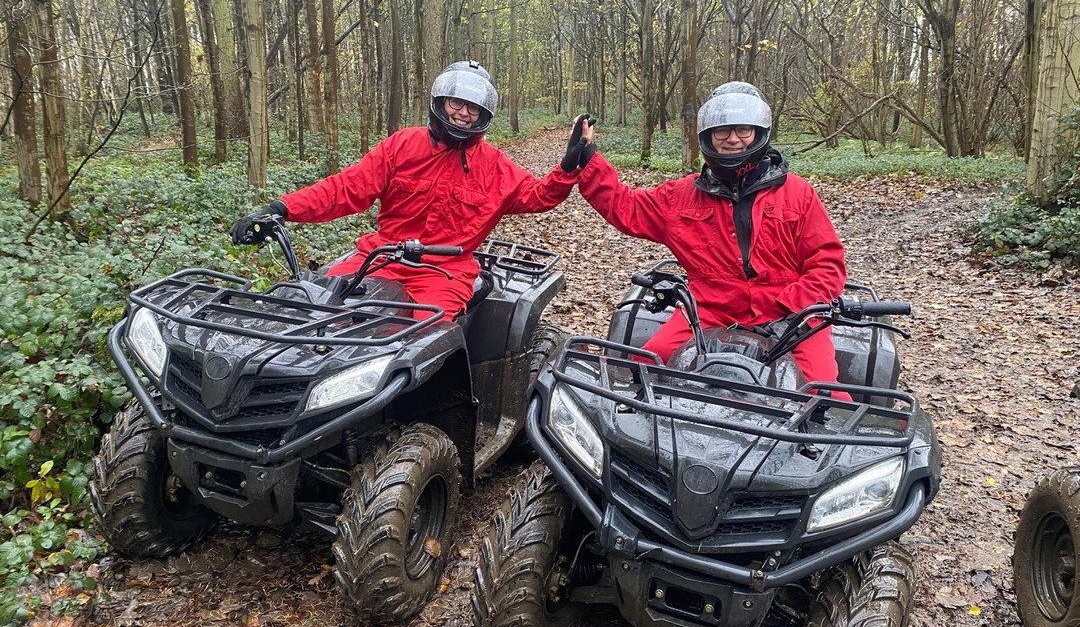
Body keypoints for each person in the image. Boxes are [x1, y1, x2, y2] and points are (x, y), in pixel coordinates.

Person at [231, 61, 591, 317]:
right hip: (380, 258)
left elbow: (539, 195)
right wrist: (281, 209)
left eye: (474, 109)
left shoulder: (495, 166)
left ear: (484, 117)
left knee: (423, 338)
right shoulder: (403, 146)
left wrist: (568, 165)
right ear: (441, 103)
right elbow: (346, 188)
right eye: (457, 104)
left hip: (443, 273)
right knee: (310, 305)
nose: (464, 114)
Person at [565, 82, 849, 391]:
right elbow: (626, 206)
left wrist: (791, 308)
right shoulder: (682, 197)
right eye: (722, 131)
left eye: (743, 130)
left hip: (793, 315)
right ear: (708, 137)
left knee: (827, 395)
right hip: (709, 309)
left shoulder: (796, 193)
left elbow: (828, 266)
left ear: (759, 132)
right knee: (643, 371)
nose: (733, 140)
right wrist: (589, 159)